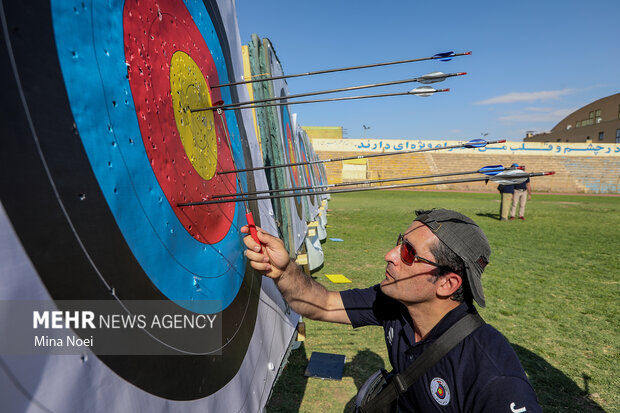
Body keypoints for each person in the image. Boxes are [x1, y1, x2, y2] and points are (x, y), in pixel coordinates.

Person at [242, 208, 541, 412]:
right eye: (400, 242)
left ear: (447, 284)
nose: (389, 255)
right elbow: (322, 303)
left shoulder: (494, 375)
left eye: (409, 253)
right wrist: (281, 271)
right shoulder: (394, 303)